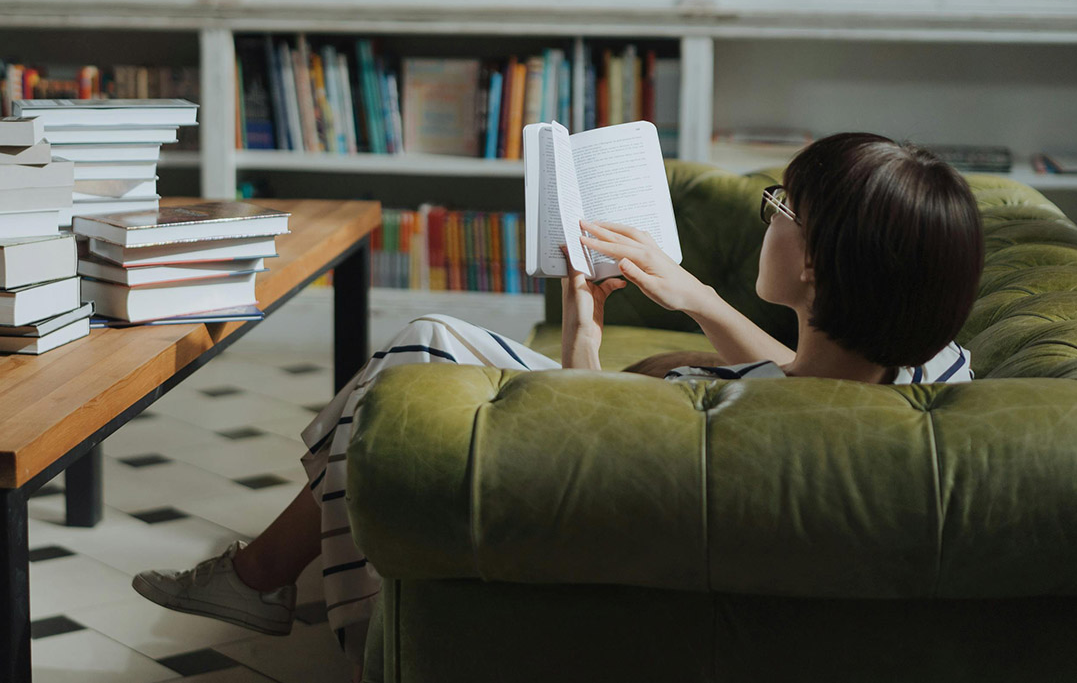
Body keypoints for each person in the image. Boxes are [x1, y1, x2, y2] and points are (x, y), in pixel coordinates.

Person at [130, 132, 984, 678]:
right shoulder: (935, 372)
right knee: (421, 350)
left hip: (586, 458)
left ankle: (299, 598)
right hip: (656, 419)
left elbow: (579, 450)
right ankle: (263, 572)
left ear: (813, 266)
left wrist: (583, 331)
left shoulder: (728, 421)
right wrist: (697, 301)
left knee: (418, 350)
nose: (769, 216)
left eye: (782, 206)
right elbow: (816, 380)